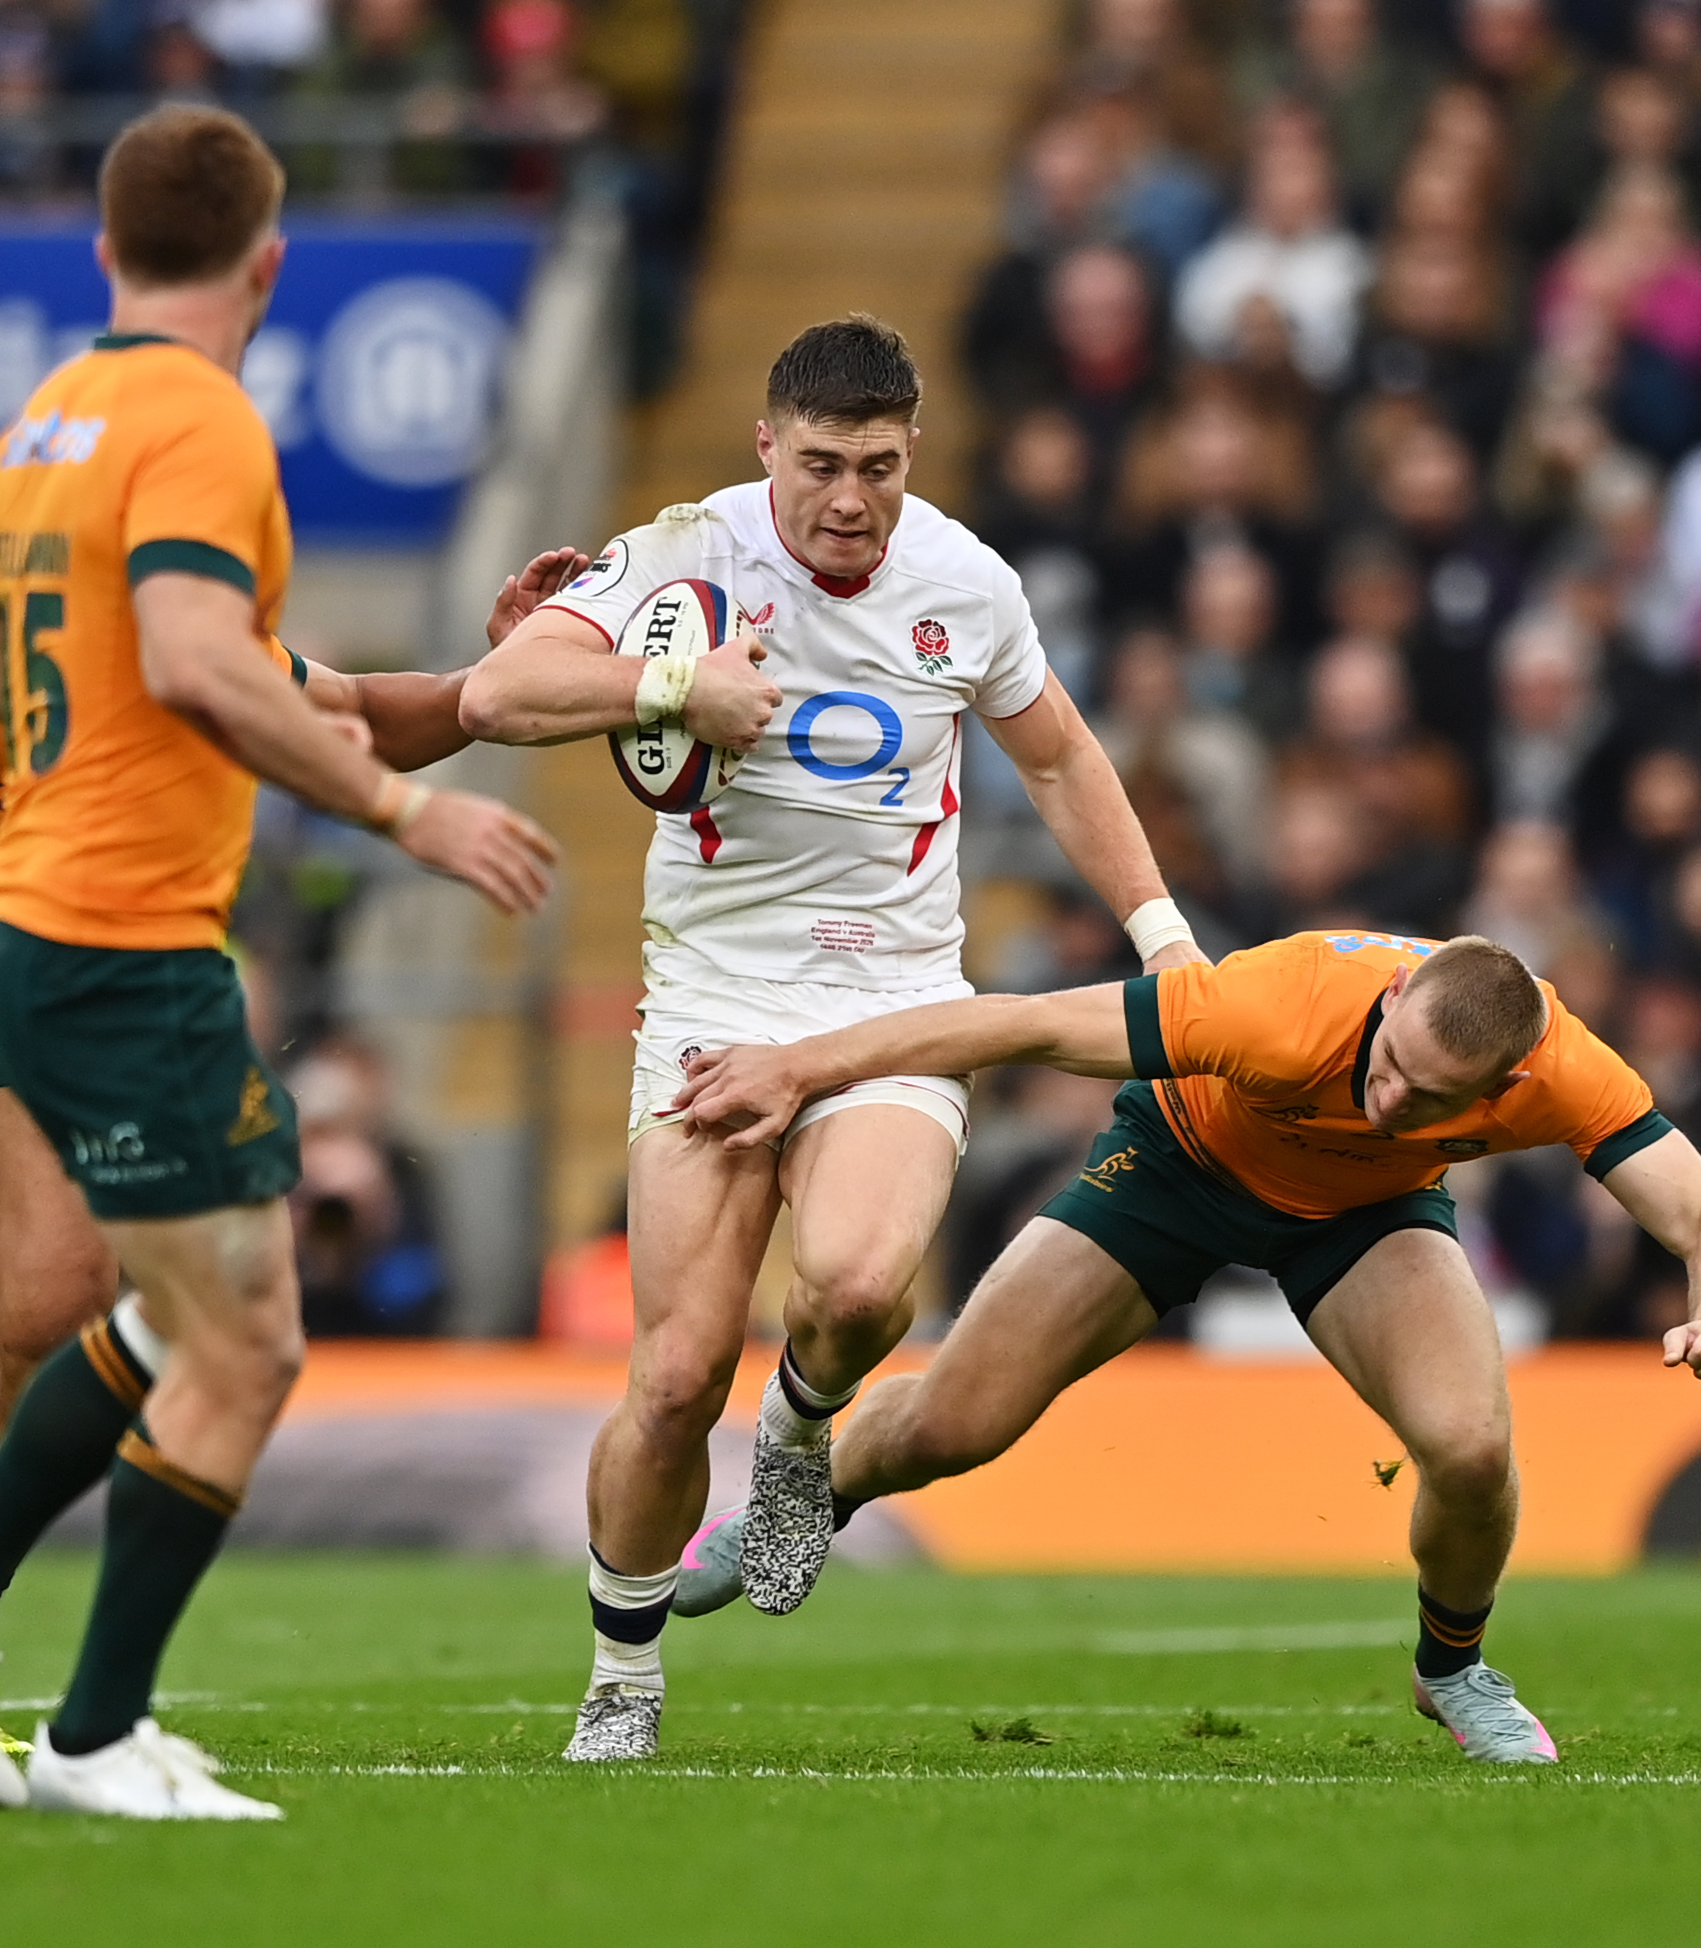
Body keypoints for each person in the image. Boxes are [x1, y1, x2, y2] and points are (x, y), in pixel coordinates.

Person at [0, 104, 557, 1822]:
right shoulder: (207, 422)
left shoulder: (44, 426)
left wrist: (422, 696)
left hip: (24, 913)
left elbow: (39, 673)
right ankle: (88, 1731)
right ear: (269, 262)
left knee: (189, 1317)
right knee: (245, 1346)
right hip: (117, 941)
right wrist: (402, 811)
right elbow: (195, 655)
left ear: (105, 252)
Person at [458, 315, 1192, 1763]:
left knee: (858, 1292)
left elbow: (1054, 754)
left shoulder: (966, 583)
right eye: (818, 466)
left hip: (892, 1002)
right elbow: (496, 694)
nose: (849, 501)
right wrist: (670, 686)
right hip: (714, 1006)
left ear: (912, 454)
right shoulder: (688, 552)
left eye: (879, 467)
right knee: (672, 1379)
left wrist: (1161, 933)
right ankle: (623, 1673)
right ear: (764, 449)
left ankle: (796, 1446)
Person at [0, 543, 576, 1750]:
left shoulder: (195, 652)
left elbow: (367, 716)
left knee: (65, 1322)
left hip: (13, 1004)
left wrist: (502, 673)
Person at [671, 929, 1701, 1764]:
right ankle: (799, 1497)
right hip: (1174, 1168)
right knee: (956, 1424)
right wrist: (799, 1067)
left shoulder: (1566, 1069)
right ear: (1387, 999)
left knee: (1473, 1451)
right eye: (1388, 1064)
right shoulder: (1274, 1009)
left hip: (1361, 1215)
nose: (1389, 1099)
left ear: (1505, 1084)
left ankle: (1454, 1669)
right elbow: (1015, 1025)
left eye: (1430, 1098)